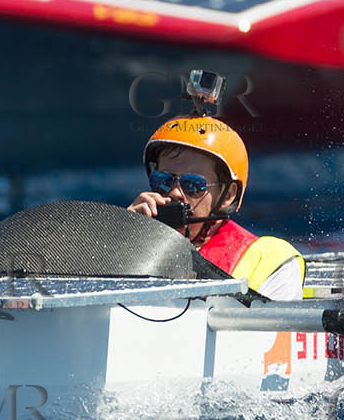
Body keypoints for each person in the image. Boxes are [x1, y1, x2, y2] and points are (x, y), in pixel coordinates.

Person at [127, 115, 304, 300]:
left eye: (193, 185)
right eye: (163, 181)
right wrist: (120, 239)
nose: (175, 193)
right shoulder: (134, 245)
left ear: (227, 196)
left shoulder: (270, 261)